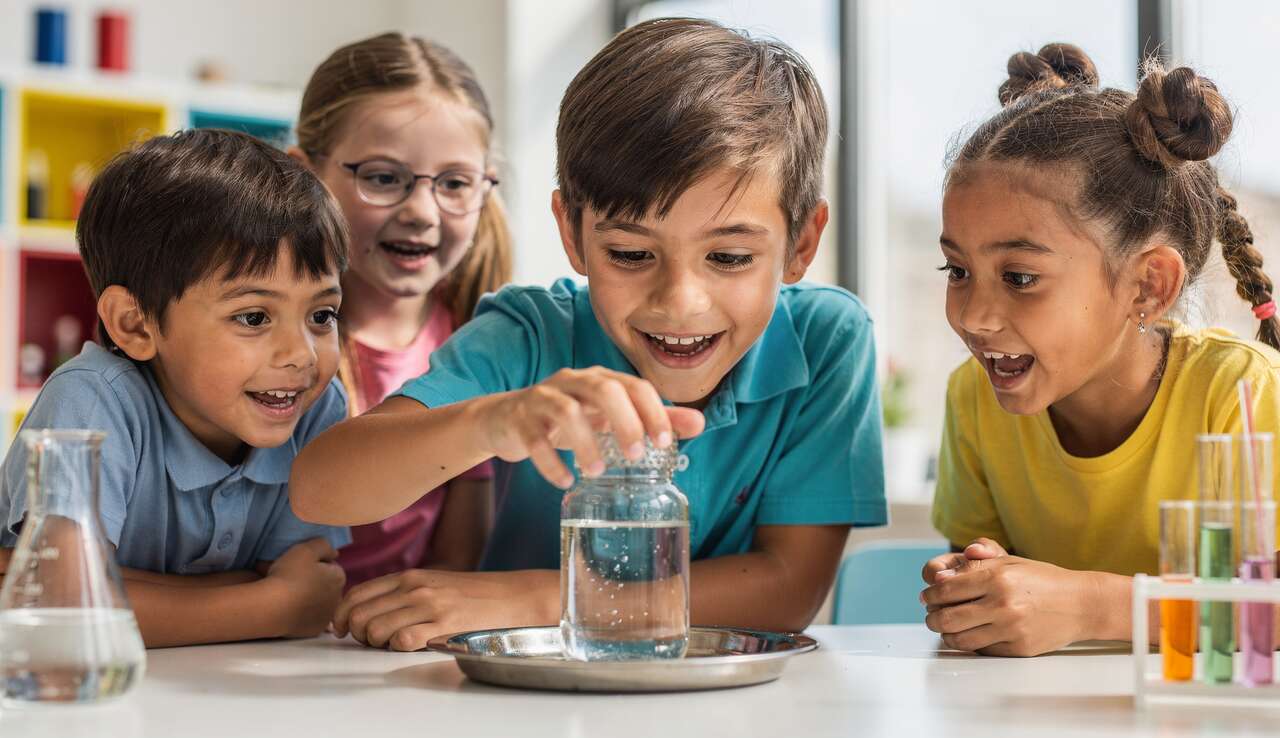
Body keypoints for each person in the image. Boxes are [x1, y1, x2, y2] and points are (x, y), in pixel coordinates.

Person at [291, 17, 886, 652]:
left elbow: (787, 590)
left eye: (730, 258)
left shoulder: (827, 339)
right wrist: (494, 422)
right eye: (630, 254)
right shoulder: (529, 335)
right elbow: (322, 487)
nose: (680, 303)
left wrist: (535, 597)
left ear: (801, 244)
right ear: (572, 234)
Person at [922, 44, 1280, 656]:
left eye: (1019, 278)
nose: (974, 317)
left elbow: (1265, 618)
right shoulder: (974, 399)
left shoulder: (1245, 395)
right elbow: (982, 578)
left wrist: (1093, 606)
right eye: (956, 270)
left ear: (1149, 285)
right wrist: (973, 589)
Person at [0, 129, 352, 647]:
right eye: (254, 317)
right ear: (136, 325)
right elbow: (65, 608)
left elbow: (313, 579)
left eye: (322, 315)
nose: (301, 354)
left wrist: (116, 588)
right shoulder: (93, 400)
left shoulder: (315, 409)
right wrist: (267, 604)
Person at [292, 33, 513, 585]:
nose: (421, 211)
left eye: (454, 183)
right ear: (304, 174)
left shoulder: (478, 340)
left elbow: (454, 567)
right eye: (383, 177)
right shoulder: (268, 339)